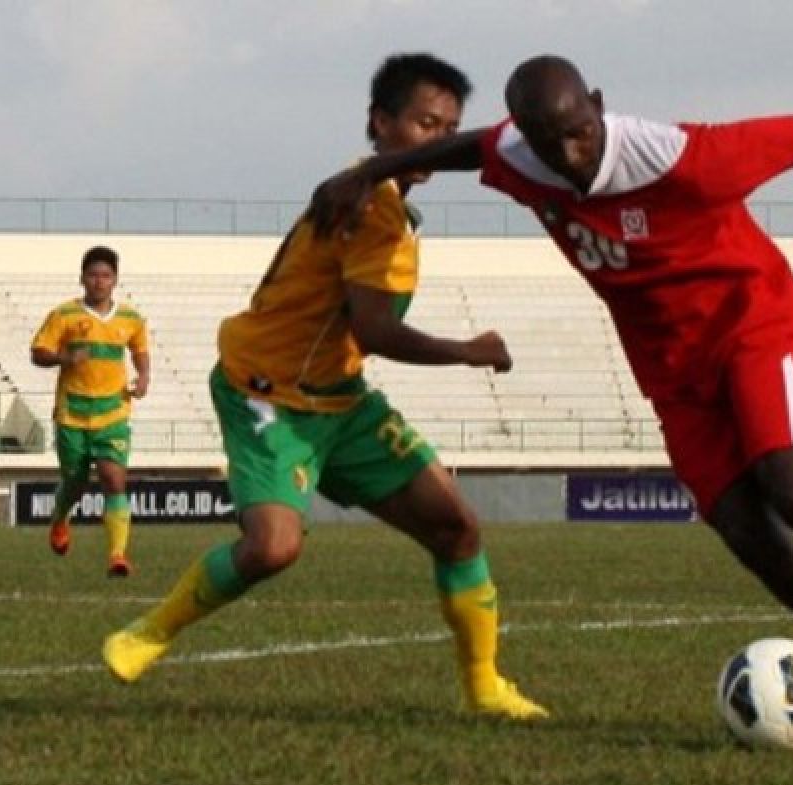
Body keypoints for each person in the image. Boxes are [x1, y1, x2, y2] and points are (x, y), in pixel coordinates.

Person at [310, 56, 793, 709]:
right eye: (547, 142)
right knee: (758, 546)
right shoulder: (520, 155)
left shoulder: (682, 156)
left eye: (580, 133)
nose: (569, 156)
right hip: (673, 374)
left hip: (753, 326)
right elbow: (469, 147)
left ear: (598, 105)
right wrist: (368, 171)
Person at [102, 53, 547, 720]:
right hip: (268, 394)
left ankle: (485, 687)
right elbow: (374, 330)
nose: (441, 138)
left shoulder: (374, 194)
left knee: (456, 527)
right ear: (382, 123)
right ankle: (149, 631)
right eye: (426, 122)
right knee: (273, 548)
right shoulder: (371, 207)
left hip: (340, 400)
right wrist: (468, 350)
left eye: (450, 126)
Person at [30, 245, 150, 577]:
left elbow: (139, 350)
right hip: (73, 412)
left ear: (115, 281)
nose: (100, 281)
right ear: (82, 278)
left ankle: (117, 555)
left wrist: (144, 378)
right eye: (94, 275)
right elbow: (38, 352)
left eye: (106, 276)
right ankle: (60, 518)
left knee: (114, 479)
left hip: (113, 411)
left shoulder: (131, 318)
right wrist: (63, 358)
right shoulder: (64, 315)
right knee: (75, 482)